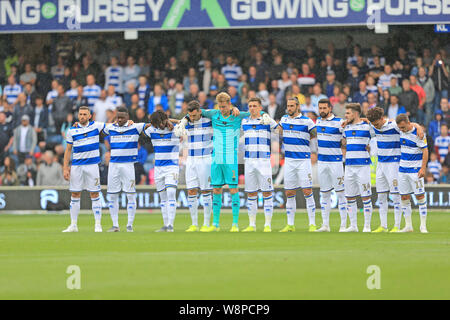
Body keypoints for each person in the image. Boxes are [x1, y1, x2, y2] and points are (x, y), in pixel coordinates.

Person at [175, 92, 269, 232]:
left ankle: (235, 224)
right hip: (216, 157)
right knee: (216, 189)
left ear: (229, 104)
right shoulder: (214, 114)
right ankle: (216, 224)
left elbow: (253, 111)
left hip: (231, 158)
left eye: (224, 106)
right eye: (220, 106)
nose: (222, 109)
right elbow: (194, 113)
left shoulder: (238, 115)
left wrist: (264, 114)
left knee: (233, 189)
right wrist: (183, 121)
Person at [102, 107, 149, 232]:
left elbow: (150, 124)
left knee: (131, 195)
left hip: (128, 165)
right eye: (118, 117)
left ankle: (129, 225)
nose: (120, 120)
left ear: (128, 117)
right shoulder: (111, 127)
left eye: (122, 117)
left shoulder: (135, 127)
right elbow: (96, 127)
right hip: (113, 165)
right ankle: (115, 225)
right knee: (112, 195)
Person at [62, 106, 105, 233]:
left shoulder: (96, 126)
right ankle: (73, 225)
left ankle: (98, 224)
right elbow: (68, 150)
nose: (82, 116)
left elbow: (112, 125)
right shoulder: (72, 131)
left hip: (92, 165)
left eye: (85, 114)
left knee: (95, 194)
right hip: (77, 166)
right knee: (75, 194)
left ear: (90, 116)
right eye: (80, 114)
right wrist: (65, 168)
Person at [279, 97, 317, 232]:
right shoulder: (284, 119)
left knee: (307, 191)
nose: (289, 108)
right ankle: (290, 224)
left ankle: (312, 224)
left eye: (291, 106)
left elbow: (315, 134)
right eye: (288, 106)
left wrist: (302, 138)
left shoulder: (306, 121)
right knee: (289, 192)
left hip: (303, 160)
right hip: (289, 160)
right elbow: (279, 131)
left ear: (298, 106)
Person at [240, 98, 279, 232]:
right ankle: (252, 225)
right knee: (251, 193)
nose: (252, 108)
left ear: (260, 107)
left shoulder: (266, 120)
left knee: (267, 192)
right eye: (250, 106)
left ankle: (267, 224)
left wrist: (272, 120)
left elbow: (280, 131)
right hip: (249, 161)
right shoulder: (244, 121)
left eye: (255, 106)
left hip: (263, 161)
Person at [180, 101, 214, 232]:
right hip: (191, 159)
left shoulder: (209, 120)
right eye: (190, 115)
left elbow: (220, 115)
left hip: (205, 159)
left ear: (200, 111)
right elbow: (177, 123)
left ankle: (206, 223)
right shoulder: (187, 121)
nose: (192, 118)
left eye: (194, 115)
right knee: (191, 191)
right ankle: (194, 224)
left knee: (205, 191)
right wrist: (184, 120)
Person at [341, 103, 375, 232]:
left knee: (365, 196)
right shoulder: (346, 128)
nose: (345, 115)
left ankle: (367, 226)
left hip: (363, 166)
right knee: (349, 196)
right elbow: (343, 142)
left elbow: (378, 132)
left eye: (348, 113)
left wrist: (368, 120)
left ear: (355, 114)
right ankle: (353, 226)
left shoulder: (367, 127)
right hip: (349, 165)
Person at [315, 99, 347, 232]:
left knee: (341, 193)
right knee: (325, 194)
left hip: (336, 162)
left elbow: (346, 140)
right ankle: (325, 225)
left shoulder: (339, 122)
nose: (322, 110)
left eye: (324, 108)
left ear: (330, 108)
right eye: (320, 108)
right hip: (322, 162)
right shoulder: (317, 122)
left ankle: (343, 225)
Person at [143, 110, 179, 232]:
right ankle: (165, 224)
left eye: (160, 122)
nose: (159, 126)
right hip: (158, 168)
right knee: (163, 197)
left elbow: (182, 122)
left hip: (172, 167)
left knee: (171, 193)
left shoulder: (175, 129)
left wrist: (169, 120)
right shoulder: (151, 130)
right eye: (156, 123)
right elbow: (143, 126)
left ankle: (171, 225)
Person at [396, 113, 429, 233]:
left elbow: (425, 151)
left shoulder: (418, 134)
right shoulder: (400, 130)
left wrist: (423, 168)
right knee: (404, 197)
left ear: (409, 123)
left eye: (403, 127)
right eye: (400, 128)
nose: (401, 130)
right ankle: (408, 226)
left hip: (415, 170)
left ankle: (423, 226)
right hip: (402, 170)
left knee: (420, 196)